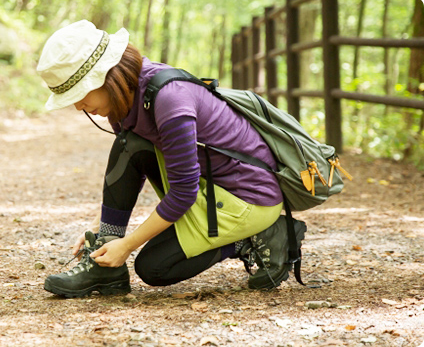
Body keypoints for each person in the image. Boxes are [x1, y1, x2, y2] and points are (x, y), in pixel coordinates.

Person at [36, 20, 292, 298]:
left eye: (79, 94)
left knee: (153, 268)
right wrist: (104, 235)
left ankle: (256, 238)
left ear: (107, 77)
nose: (77, 106)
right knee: (129, 144)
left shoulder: (170, 100)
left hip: (248, 198)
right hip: (209, 186)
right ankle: (104, 270)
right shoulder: (123, 101)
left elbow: (183, 192)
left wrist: (127, 246)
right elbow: (134, 166)